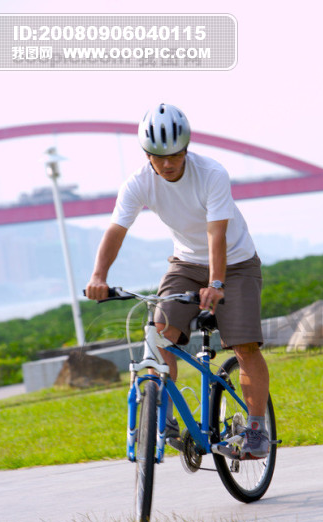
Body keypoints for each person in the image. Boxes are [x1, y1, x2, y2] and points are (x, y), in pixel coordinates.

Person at [86, 103, 270, 459]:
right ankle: (162, 418)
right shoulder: (138, 183)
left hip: (236, 263)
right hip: (185, 263)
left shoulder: (211, 173)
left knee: (244, 345)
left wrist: (216, 284)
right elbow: (116, 230)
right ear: (146, 154)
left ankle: (257, 428)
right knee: (159, 334)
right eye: (158, 156)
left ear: (186, 149)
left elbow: (217, 235)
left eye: (175, 154)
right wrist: (99, 277)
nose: (167, 163)